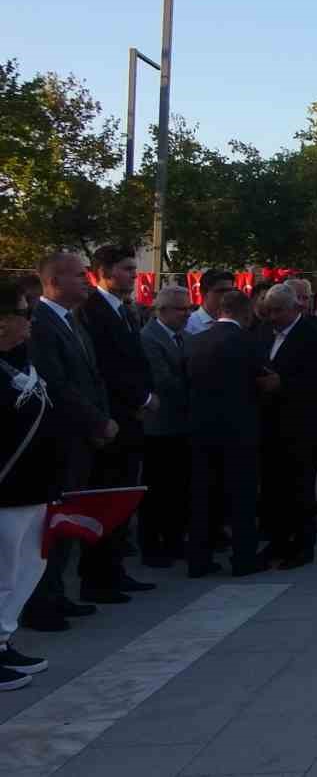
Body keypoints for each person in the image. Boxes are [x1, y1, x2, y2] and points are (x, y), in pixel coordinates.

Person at [20, 254, 115, 632]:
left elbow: (91, 378)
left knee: (68, 521)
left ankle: (57, 594)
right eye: (79, 276)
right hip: (59, 439)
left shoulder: (71, 321)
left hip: (81, 438)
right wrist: (95, 419)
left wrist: (102, 419)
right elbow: (57, 385)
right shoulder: (41, 324)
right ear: (55, 281)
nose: (87, 282)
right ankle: (40, 604)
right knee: (52, 525)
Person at [77, 246, 159, 597]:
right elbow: (105, 368)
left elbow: (136, 361)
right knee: (106, 498)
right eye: (126, 269)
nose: (133, 275)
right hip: (112, 420)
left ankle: (114, 569)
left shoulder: (125, 312)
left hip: (131, 420)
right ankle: (97, 577)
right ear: (104, 272)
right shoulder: (92, 312)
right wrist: (140, 398)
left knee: (123, 496)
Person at [185, 290, 269, 578]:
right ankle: (243, 558)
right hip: (238, 429)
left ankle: (198, 559)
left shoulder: (195, 341)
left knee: (202, 497)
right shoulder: (247, 341)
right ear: (246, 314)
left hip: (201, 428)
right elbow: (261, 380)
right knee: (242, 497)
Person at [0, 279, 57, 687]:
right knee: (2, 572)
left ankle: (2, 639)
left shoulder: (21, 360)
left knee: (27, 566)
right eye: (24, 313)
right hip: (7, 489)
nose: (30, 321)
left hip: (33, 486)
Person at [257, 284, 317, 567]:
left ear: (296, 309)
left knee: (299, 487)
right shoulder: (264, 332)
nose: (273, 316)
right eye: (269, 310)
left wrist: (284, 384)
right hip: (269, 423)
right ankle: (276, 541)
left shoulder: (314, 335)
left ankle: (302, 544)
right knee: (273, 488)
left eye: (278, 311)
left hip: (301, 424)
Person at [139, 286, 193, 569]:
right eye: (180, 309)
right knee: (157, 490)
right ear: (161, 311)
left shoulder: (184, 337)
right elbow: (162, 380)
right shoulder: (149, 338)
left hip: (181, 424)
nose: (186, 315)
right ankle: (152, 546)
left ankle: (173, 540)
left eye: (188, 309)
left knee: (177, 488)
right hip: (158, 427)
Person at [185, 269, 235, 335]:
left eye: (230, 290)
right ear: (204, 292)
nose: (227, 295)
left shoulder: (235, 322)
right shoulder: (188, 324)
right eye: (221, 291)